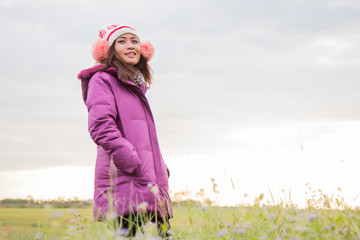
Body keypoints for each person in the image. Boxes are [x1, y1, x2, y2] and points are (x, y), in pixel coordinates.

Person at [77, 24, 172, 238]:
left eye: (134, 41)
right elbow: (101, 127)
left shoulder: (135, 87)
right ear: (108, 51)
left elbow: (143, 137)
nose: (130, 46)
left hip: (147, 180)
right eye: (122, 41)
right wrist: (132, 161)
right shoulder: (102, 80)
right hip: (125, 178)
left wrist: (160, 166)